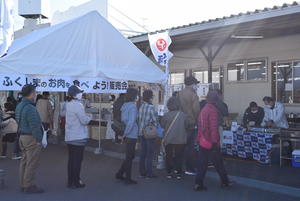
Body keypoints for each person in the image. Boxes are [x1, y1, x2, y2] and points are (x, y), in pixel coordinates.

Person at [195, 90, 232, 191]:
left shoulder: (203, 109)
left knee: (202, 164)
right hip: (211, 141)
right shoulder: (213, 110)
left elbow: (200, 125)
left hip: (203, 140)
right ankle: (225, 181)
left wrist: (198, 138)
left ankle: (198, 183)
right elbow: (214, 128)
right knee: (218, 163)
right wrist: (215, 142)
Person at [16, 84, 44, 193]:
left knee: (24, 161)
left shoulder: (20, 106)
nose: (36, 94)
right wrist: (39, 139)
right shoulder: (30, 108)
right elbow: (35, 126)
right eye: (35, 92)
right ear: (31, 93)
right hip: (30, 137)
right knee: (32, 162)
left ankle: (23, 184)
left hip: (22, 136)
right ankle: (28, 185)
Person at [65, 85, 92, 189]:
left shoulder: (69, 104)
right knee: (77, 161)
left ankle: (70, 181)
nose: (81, 94)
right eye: (79, 92)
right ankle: (76, 182)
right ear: (75, 94)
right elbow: (84, 120)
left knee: (71, 160)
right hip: (78, 136)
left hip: (70, 136)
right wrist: (89, 118)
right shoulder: (78, 105)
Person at [115, 88, 139, 185]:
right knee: (130, 156)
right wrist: (125, 134)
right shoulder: (132, 107)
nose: (138, 97)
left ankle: (120, 173)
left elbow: (124, 120)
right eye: (137, 95)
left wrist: (124, 134)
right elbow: (131, 122)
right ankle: (127, 178)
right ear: (134, 96)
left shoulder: (124, 105)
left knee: (130, 155)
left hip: (127, 132)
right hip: (131, 134)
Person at [161, 97, 188, 179]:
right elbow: (186, 126)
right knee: (179, 156)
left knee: (168, 155)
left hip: (169, 138)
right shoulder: (184, 115)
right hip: (180, 138)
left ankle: (169, 172)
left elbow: (162, 125)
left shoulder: (166, 115)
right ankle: (178, 172)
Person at [178, 76, 200, 175]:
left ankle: (177, 167)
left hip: (181, 122)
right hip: (191, 123)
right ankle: (189, 168)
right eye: (196, 84)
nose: (197, 85)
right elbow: (196, 110)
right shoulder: (193, 95)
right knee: (190, 147)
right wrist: (197, 120)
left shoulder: (179, 93)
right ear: (192, 84)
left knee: (180, 146)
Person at [138, 90, 158, 179]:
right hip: (149, 133)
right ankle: (149, 173)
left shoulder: (141, 106)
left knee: (143, 153)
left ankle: (142, 172)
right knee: (150, 154)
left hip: (141, 132)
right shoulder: (151, 107)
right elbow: (155, 121)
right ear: (150, 97)